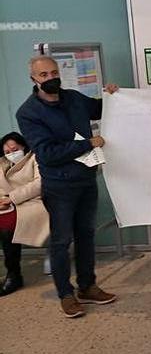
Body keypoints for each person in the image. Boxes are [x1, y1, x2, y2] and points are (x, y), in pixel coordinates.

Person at [16, 55, 119, 318]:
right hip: (59, 185)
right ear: (34, 80)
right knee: (61, 240)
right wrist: (87, 144)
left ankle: (88, 286)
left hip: (86, 179)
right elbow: (47, 154)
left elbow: (99, 108)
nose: (51, 78)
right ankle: (66, 294)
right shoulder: (28, 112)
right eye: (44, 75)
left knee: (86, 234)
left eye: (53, 72)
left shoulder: (73, 98)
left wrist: (112, 96)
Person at [0, 132, 50, 296]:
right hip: (7, 204)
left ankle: (14, 275)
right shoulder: (1, 163)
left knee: (7, 226)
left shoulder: (35, 159)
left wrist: (11, 198)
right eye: (7, 152)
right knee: (5, 220)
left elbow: (39, 184)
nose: (11, 154)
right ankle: (10, 273)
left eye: (14, 149)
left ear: (23, 146)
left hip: (32, 202)